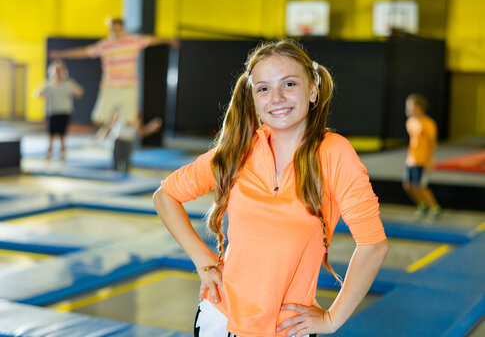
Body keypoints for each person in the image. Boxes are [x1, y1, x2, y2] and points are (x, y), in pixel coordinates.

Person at [153, 40, 388, 337]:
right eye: (263, 89)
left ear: (313, 89)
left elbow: (374, 245)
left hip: (287, 327)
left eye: (289, 84)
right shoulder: (239, 150)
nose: (276, 97)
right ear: (253, 98)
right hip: (219, 319)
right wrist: (204, 261)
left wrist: (332, 319)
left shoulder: (334, 153)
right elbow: (166, 196)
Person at [49, 18, 178, 167]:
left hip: (128, 87)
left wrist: (169, 40)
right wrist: (61, 54)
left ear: (123, 29)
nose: (115, 32)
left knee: (130, 119)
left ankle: (112, 143)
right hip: (110, 87)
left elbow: (152, 40)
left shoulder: (133, 41)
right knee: (99, 119)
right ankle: (105, 134)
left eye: (118, 29)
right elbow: (84, 52)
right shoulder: (105, 46)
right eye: (112, 29)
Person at [402, 93, 441, 223]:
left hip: (422, 160)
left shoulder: (428, 124)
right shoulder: (410, 122)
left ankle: (434, 208)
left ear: (419, 108)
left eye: (410, 107)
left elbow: (432, 143)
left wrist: (430, 161)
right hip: (411, 159)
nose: (408, 110)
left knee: (420, 186)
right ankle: (422, 205)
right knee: (408, 185)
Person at [35, 60, 84, 160]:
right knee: (51, 134)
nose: (58, 73)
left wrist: (76, 94)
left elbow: (79, 91)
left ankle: (62, 153)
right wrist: (45, 96)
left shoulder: (68, 83)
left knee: (62, 134)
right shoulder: (48, 84)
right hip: (53, 111)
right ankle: (49, 152)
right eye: (56, 71)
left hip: (65, 112)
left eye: (60, 70)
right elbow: (37, 93)